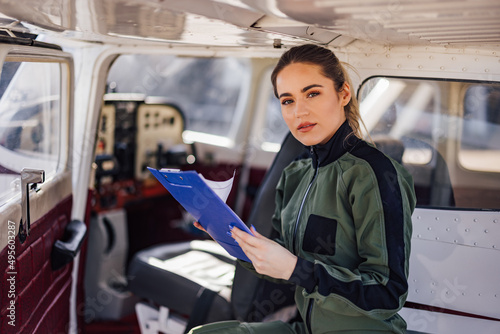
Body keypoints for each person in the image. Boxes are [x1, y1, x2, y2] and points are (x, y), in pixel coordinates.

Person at [191, 44, 416, 334]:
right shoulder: (296, 173)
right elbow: (283, 268)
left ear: (343, 94)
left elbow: (388, 293)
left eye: (312, 94)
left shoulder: (375, 174)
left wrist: (296, 269)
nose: (299, 111)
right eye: (287, 100)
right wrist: (230, 237)